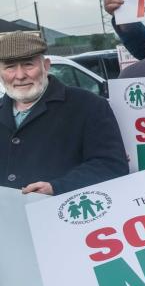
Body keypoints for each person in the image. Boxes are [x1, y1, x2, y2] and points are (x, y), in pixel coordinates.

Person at [0, 31, 128, 195]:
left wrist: (57, 187)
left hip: (62, 215)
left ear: (46, 65)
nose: (20, 76)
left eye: (28, 65)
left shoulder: (88, 105)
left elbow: (111, 165)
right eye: (10, 67)